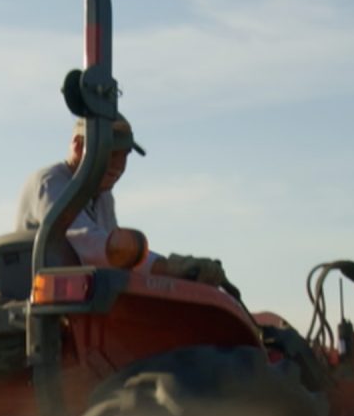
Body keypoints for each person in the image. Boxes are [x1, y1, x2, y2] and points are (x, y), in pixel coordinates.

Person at [14, 117, 235, 291]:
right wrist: (169, 267)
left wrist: (180, 272)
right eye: (111, 153)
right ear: (79, 146)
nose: (119, 166)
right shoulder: (50, 183)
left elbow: (120, 257)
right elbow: (98, 249)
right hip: (42, 304)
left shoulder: (102, 196)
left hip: (82, 300)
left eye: (124, 155)